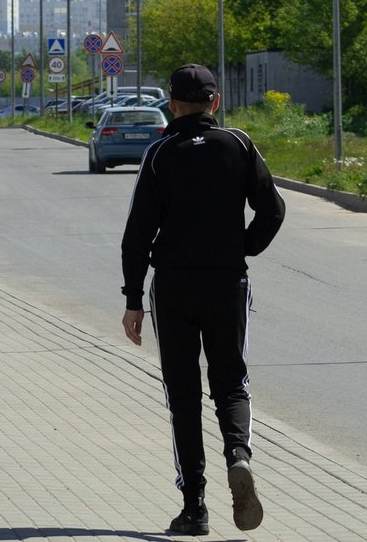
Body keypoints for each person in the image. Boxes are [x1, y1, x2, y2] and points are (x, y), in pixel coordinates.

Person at [118, 63, 285, 537]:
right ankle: (240, 456)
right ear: (215, 103)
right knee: (231, 383)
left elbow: (135, 236)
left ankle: (194, 508)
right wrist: (243, 247)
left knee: (184, 394)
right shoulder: (238, 144)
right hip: (227, 282)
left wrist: (133, 300)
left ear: (171, 105)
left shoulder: (159, 154)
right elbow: (273, 210)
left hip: (172, 287)